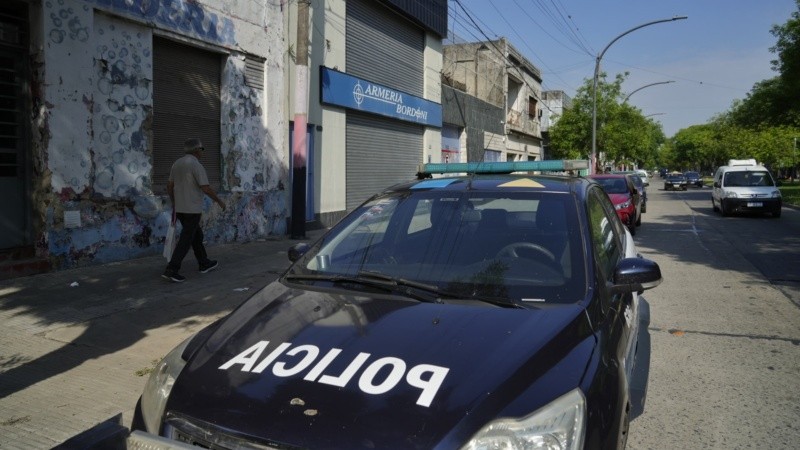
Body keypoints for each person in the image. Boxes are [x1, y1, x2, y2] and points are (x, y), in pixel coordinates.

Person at [162, 138, 226, 282]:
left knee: (196, 235)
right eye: (201, 149)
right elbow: (205, 188)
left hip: (180, 209)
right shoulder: (196, 165)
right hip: (192, 209)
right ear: (197, 150)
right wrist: (219, 201)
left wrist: (174, 202)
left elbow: (169, 186)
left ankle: (204, 263)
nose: (202, 152)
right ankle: (172, 269)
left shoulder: (177, 164)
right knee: (186, 239)